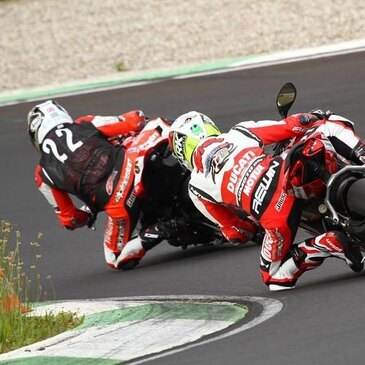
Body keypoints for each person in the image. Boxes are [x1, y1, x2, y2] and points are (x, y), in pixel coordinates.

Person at [168, 110, 365, 291]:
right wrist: (314, 115)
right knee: (327, 124)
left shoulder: (196, 187)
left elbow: (235, 232)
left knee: (274, 278)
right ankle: (361, 153)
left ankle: (328, 243)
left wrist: (252, 230)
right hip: (285, 175)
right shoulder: (239, 132)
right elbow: (292, 125)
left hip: (274, 214)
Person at [27, 100, 171, 270]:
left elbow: (70, 219)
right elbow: (134, 121)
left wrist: (87, 214)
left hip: (118, 201)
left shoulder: (42, 174)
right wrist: (139, 118)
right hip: (132, 164)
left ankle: (163, 228)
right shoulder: (83, 123)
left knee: (115, 258)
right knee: (160, 125)